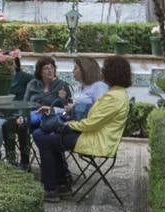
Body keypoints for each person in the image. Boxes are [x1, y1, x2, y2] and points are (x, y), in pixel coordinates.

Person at [32, 55, 131, 202]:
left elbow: (92, 123)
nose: (102, 71)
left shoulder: (112, 97)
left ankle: (52, 188)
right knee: (44, 134)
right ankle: (62, 183)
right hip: (91, 134)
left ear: (113, 73)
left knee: (42, 136)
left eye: (105, 69)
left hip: (95, 140)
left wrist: (69, 125)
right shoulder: (117, 93)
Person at [39, 57, 108, 132]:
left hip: (84, 127)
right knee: (41, 128)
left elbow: (100, 110)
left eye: (75, 68)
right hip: (72, 122)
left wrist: (74, 107)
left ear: (85, 69)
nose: (72, 71)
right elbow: (68, 110)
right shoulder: (78, 88)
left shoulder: (98, 86)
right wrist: (52, 109)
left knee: (41, 132)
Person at [24, 56, 71, 131]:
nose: (50, 71)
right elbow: (25, 103)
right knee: (17, 123)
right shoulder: (32, 84)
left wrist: (62, 99)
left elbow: (67, 109)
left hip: (51, 118)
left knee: (25, 124)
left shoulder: (62, 85)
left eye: (52, 67)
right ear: (40, 71)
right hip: (33, 115)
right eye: (46, 68)